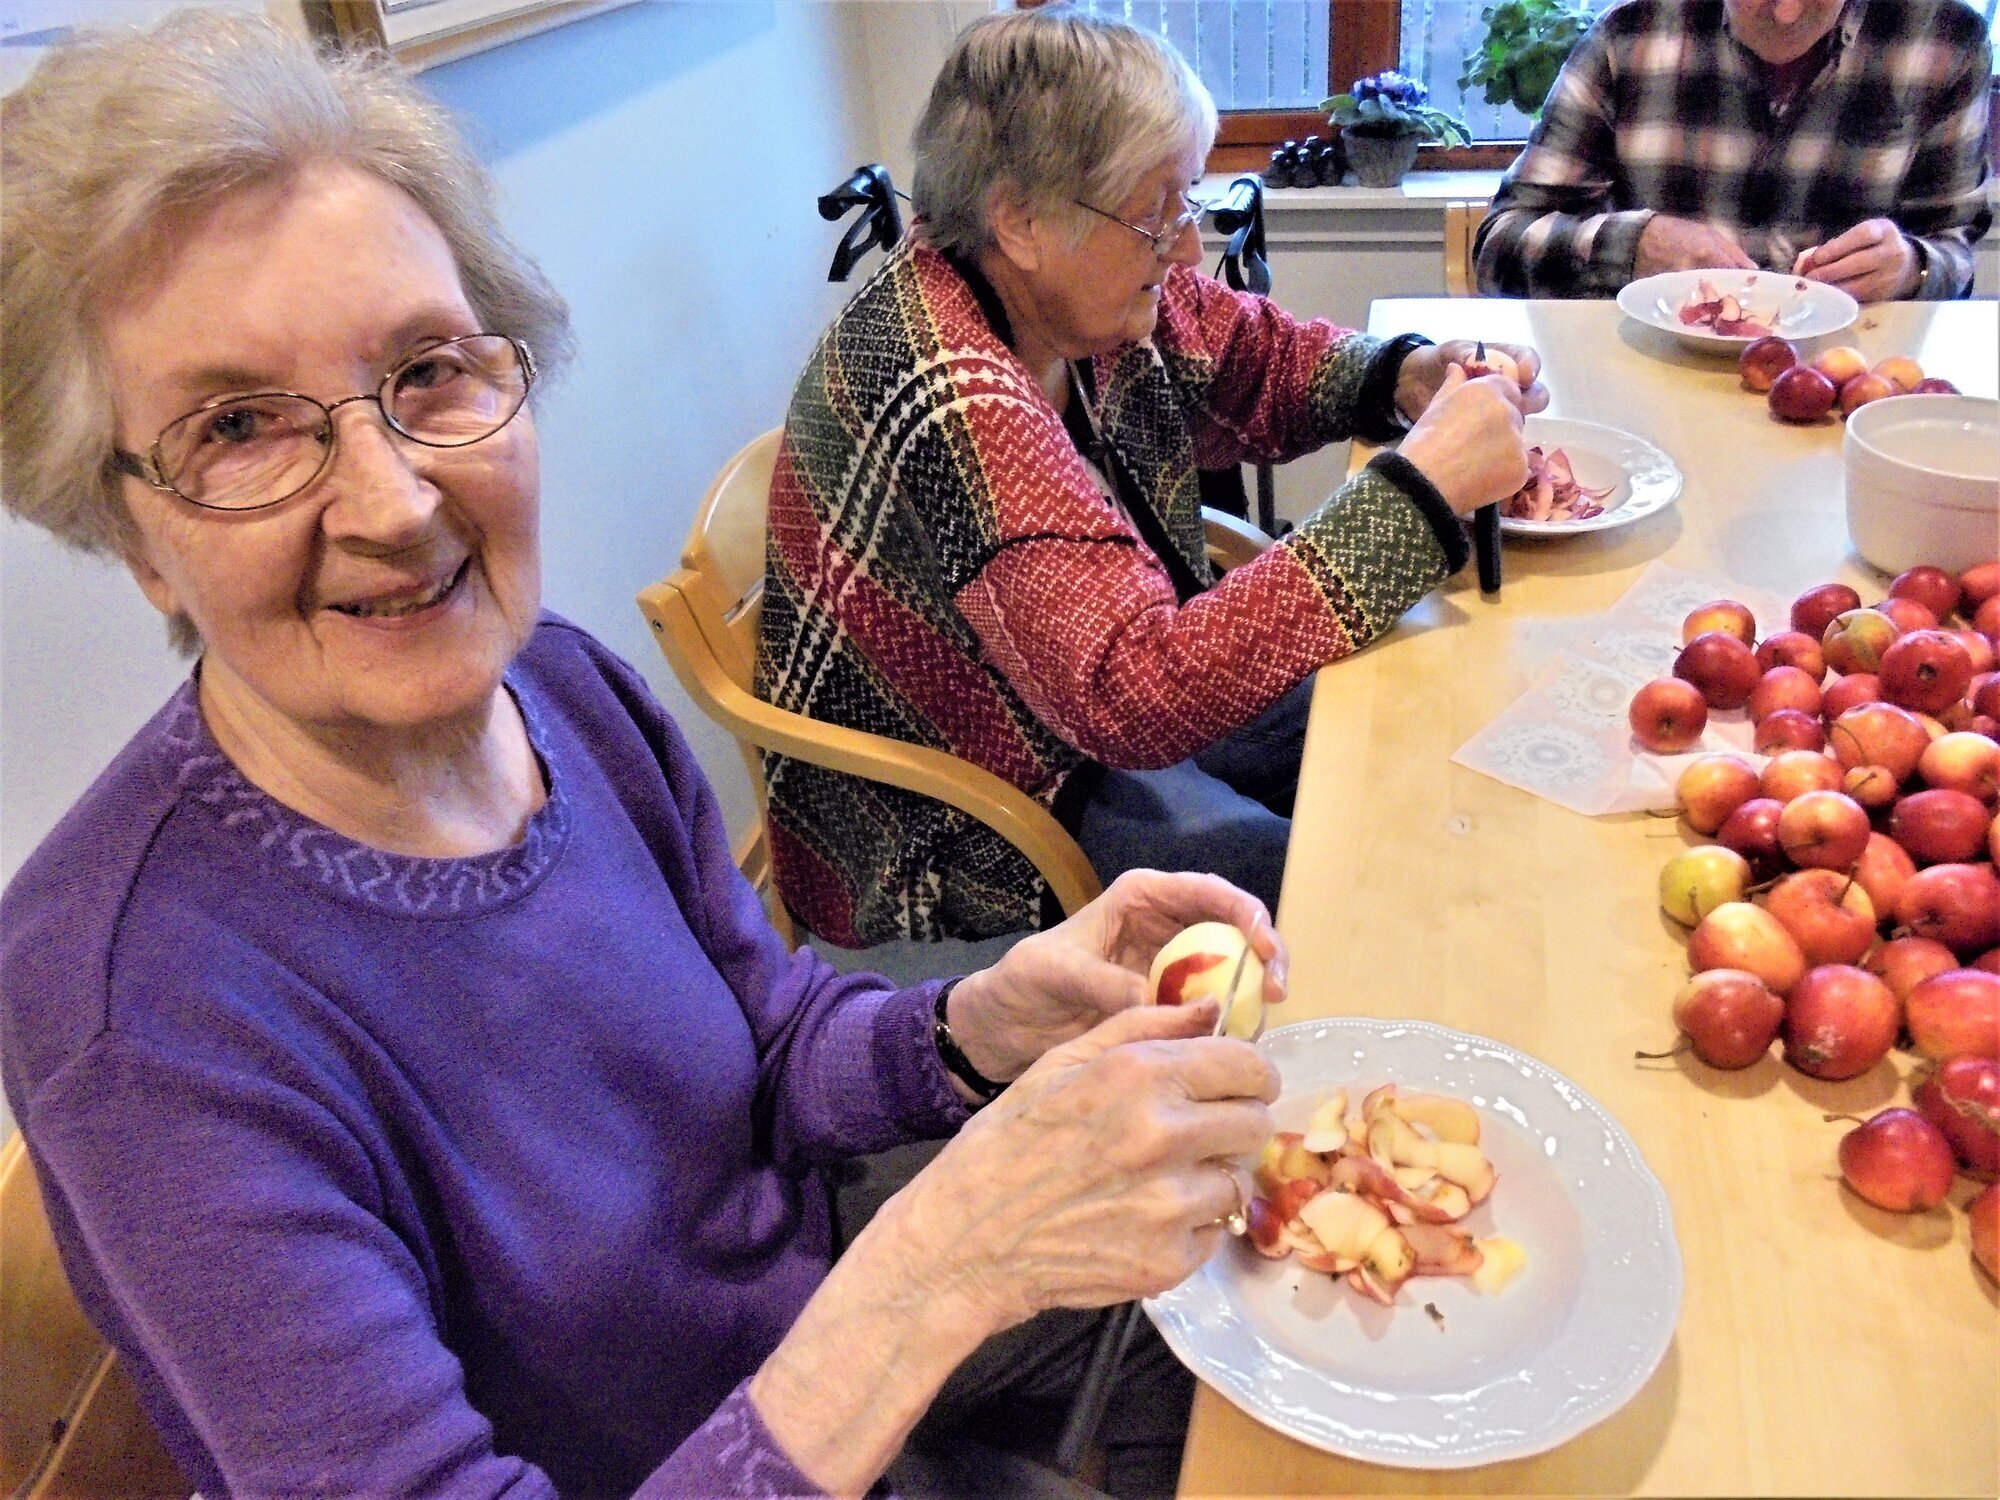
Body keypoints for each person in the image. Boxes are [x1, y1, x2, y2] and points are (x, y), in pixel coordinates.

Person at [0, 14, 1291, 1497]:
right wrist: (937, 1279)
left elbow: (769, 1047)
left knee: (1291, 1297)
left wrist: (984, 1022)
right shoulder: (138, 1016)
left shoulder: (559, 689)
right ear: (131, 538)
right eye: (238, 426)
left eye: (429, 370)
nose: (394, 503)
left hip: (829, 1348)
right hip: (784, 1427)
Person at [761, 4, 1545, 951]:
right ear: (1019, 220)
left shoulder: (1067, 291)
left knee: (1412, 720)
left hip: (1080, 712)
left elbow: (1252, 362)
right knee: (1351, 888)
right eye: (1157, 211)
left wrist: (1403, 374)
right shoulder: (949, 387)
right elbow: (1129, 697)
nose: (1183, 245)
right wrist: (1418, 492)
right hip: (965, 807)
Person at [1474, 0, 1994, 301]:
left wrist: (1912, 269)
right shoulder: (1631, 35)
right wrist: (1635, 245)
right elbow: (1499, 248)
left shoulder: (1945, 41)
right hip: (1653, 385)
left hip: (1847, 394)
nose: (1787, 14)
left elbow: (1954, 253)